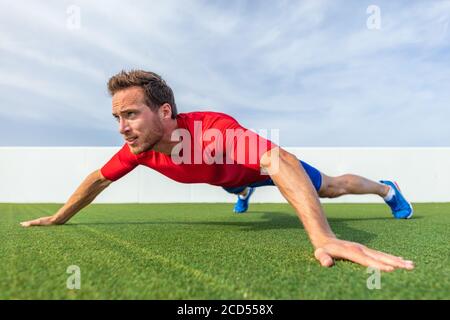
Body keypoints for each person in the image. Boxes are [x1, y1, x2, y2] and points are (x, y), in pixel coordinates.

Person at [20, 70, 414, 272]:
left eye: (130, 114)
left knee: (329, 186)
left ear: (165, 112)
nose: (122, 127)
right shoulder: (138, 150)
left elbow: (279, 163)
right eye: (117, 117)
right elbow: (98, 180)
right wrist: (59, 216)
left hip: (253, 169)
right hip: (225, 177)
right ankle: (238, 192)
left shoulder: (213, 132)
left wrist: (324, 237)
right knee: (228, 184)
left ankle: (385, 189)